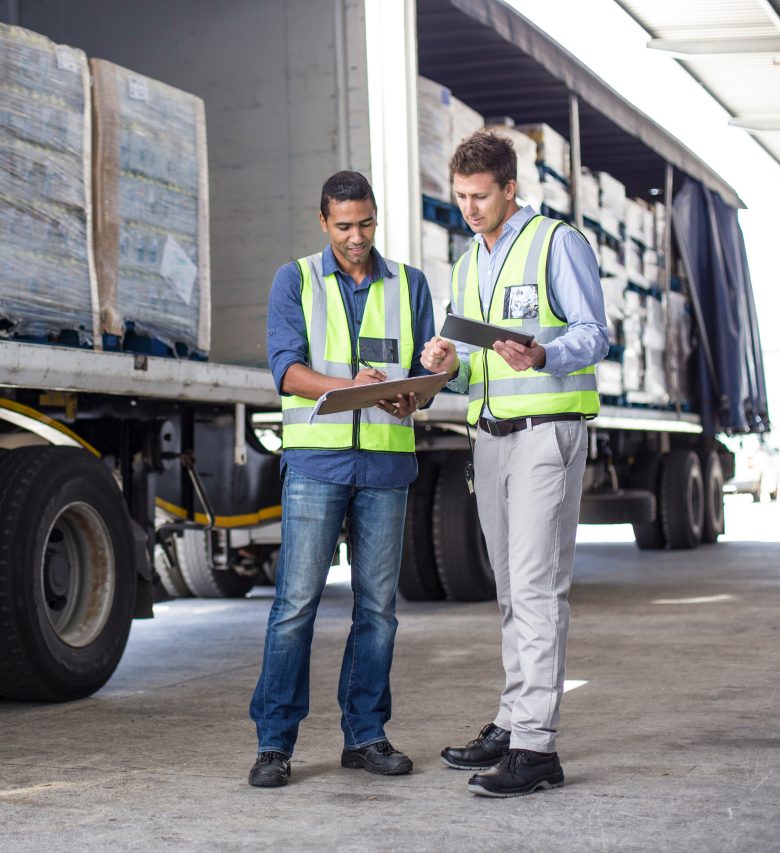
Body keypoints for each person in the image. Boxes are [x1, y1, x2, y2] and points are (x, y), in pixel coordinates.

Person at [420, 130, 608, 797]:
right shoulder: (469, 261)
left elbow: (594, 332)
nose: (468, 207)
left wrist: (545, 353)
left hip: (547, 431)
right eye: (461, 196)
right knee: (510, 588)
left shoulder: (557, 243)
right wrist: (445, 360)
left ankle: (536, 747)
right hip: (491, 435)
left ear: (510, 189)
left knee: (536, 586)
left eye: (480, 196)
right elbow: (472, 352)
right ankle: (511, 717)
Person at [248, 170, 435, 788]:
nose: (358, 237)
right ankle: (275, 745)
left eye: (367, 224)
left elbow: (420, 375)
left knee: (378, 610)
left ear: (377, 218)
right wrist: (348, 389)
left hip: (386, 466)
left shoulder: (410, 284)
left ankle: (366, 735)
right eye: (345, 226)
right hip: (316, 465)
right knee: (294, 608)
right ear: (324, 222)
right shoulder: (295, 279)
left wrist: (412, 396)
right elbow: (287, 371)